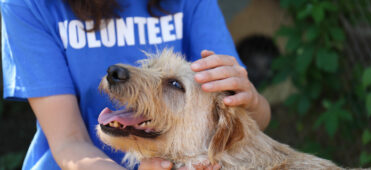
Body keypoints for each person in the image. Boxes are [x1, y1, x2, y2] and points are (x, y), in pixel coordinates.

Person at [1, 0, 271, 169]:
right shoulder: (27, 5)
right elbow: (69, 142)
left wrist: (252, 101)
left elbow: (248, 121)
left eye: (173, 84)